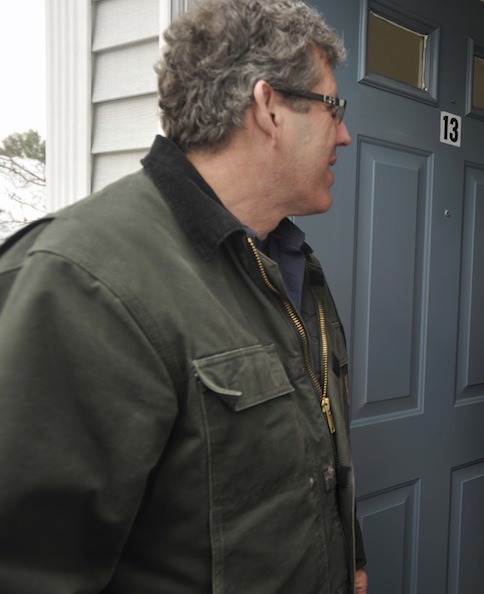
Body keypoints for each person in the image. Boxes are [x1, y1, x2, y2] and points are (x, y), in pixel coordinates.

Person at [0, 0, 367, 592]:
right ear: (269, 107)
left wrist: (349, 559)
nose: (344, 134)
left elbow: (308, 458)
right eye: (333, 107)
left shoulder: (293, 264)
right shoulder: (84, 281)